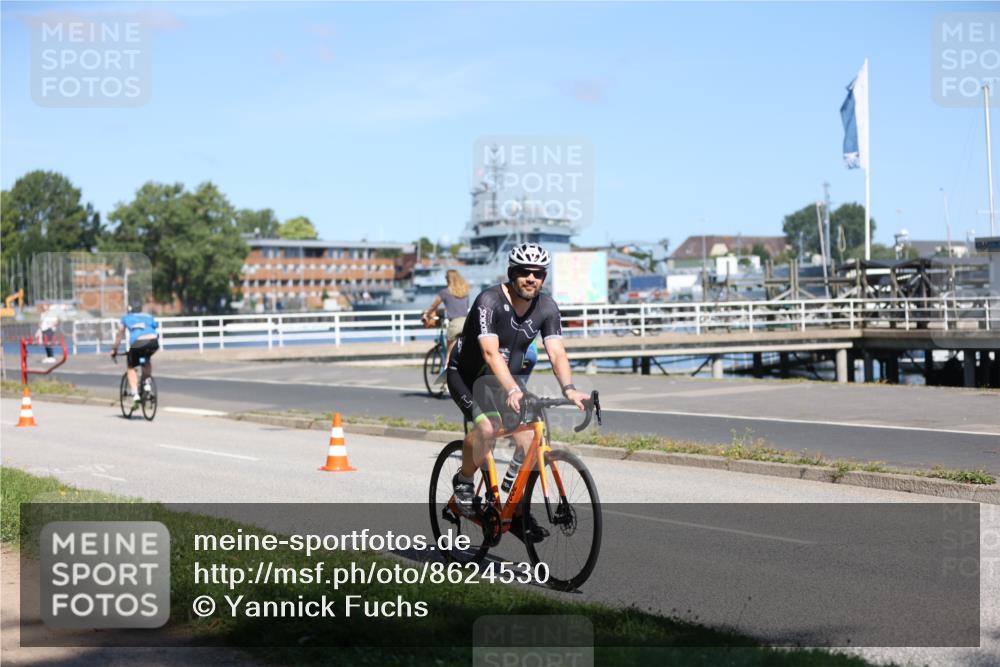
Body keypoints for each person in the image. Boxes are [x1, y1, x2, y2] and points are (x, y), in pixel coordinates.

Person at [446, 242, 590, 540]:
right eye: (524, 272)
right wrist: (512, 388)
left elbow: (557, 353)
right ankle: (463, 481)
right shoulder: (489, 300)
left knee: (530, 442)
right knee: (488, 427)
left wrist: (571, 389)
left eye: (538, 273)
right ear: (512, 273)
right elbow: (489, 353)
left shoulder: (547, 306)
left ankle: (515, 507)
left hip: (503, 380)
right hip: (469, 375)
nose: (531, 278)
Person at [422, 269, 470, 383]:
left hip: (455, 324)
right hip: (466, 323)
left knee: (449, 354)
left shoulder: (445, 292)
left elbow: (433, 306)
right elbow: (465, 308)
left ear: (448, 280)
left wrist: (426, 314)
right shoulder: (465, 291)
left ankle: (449, 380)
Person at [110, 303, 160, 407]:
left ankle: (135, 393)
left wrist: (114, 349)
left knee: (131, 366)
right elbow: (155, 329)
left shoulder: (125, 318)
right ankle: (146, 382)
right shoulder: (149, 316)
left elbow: (120, 335)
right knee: (146, 359)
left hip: (137, 343)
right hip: (153, 342)